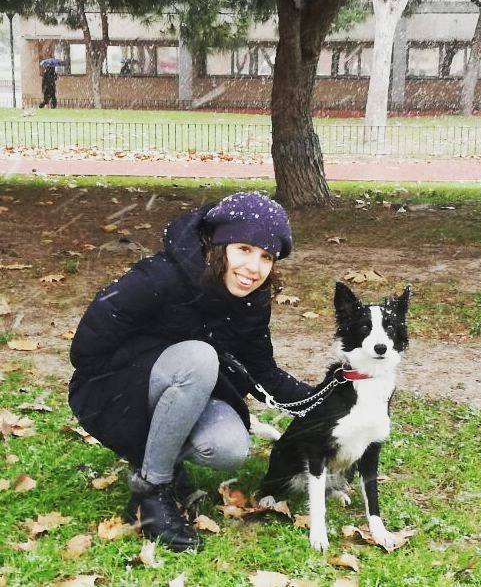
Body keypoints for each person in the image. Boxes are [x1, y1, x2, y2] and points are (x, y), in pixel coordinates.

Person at [68, 192, 314, 552]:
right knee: (199, 358)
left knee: (228, 448)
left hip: (184, 394)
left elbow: (262, 372)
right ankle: (152, 492)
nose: (254, 267)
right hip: (110, 394)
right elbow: (86, 349)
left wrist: (328, 397)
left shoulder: (251, 300)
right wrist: (138, 390)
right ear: (219, 245)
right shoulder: (160, 276)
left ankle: (159, 462)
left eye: (266, 257)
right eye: (244, 249)